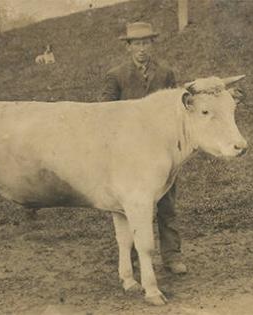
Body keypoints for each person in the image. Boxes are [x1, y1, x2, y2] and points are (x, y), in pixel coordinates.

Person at [100, 22, 187, 274]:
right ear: (128, 47)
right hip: (129, 154)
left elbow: (177, 111)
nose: (141, 49)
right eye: (136, 44)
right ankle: (135, 258)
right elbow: (104, 113)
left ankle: (172, 256)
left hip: (161, 152)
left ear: (152, 44)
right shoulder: (116, 76)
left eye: (145, 43)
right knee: (131, 205)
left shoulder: (166, 74)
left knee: (167, 204)